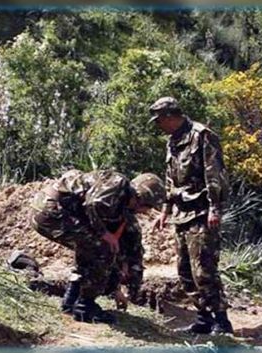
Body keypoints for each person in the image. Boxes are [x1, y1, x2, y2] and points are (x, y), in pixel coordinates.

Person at [30, 170, 164, 323]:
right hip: (51, 211)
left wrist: (122, 290)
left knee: (90, 248)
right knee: (103, 249)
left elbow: (133, 255)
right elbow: (93, 203)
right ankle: (85, 308)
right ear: (139, 198)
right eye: (147, 207)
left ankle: (70, 302)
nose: (145, 212)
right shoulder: (117, 185)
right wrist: (104, 234)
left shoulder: (121, 210)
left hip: (50, 210)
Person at [149, 96, 234, 335]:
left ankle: (221, 320)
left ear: (170, 116)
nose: (158, 126)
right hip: (181, 213)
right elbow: (169, 177)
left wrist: (214, 209)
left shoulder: (202, 135)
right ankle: (203, 318)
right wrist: (165, 209)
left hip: (201, 213)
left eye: (159, 120)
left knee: (204, 270)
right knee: (185, 270)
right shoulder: (172, 141)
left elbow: (214, 174)